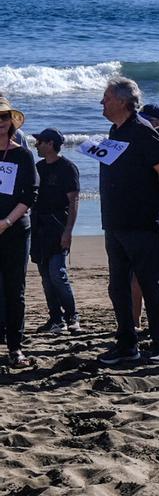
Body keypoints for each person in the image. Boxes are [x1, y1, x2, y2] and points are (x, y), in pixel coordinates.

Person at [96, 76, 159, 366]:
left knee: (150, 284)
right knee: (118, 287)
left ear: (121, 101)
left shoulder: (143, 130)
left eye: (105, 98)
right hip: (114, 222)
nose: (101, 103)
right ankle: (127, 344)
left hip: (142, 221)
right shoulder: (114, 130)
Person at [30, 128, 80, 334]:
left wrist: (68, 231)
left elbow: (74, 200)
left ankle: (72, 316)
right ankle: (56, 318)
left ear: (50, 144)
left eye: (40, 142)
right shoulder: (38, 167)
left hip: (58, 226)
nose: (36, 145)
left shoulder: (67, 167)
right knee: (45, 275)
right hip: (38, 227)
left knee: (57, 273)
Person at [0, 97, 36, 366]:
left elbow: (29, 195)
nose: (0, 123)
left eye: (4, 117)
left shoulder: (22, 154)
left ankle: (15, 347)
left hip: (15, 228)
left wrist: (7, 222)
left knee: (15, 290)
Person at [133, 103, 159, 329]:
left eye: (150, 121)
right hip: (142, 213)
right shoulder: (135, 140)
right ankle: (136, 320)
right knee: (138, 272)